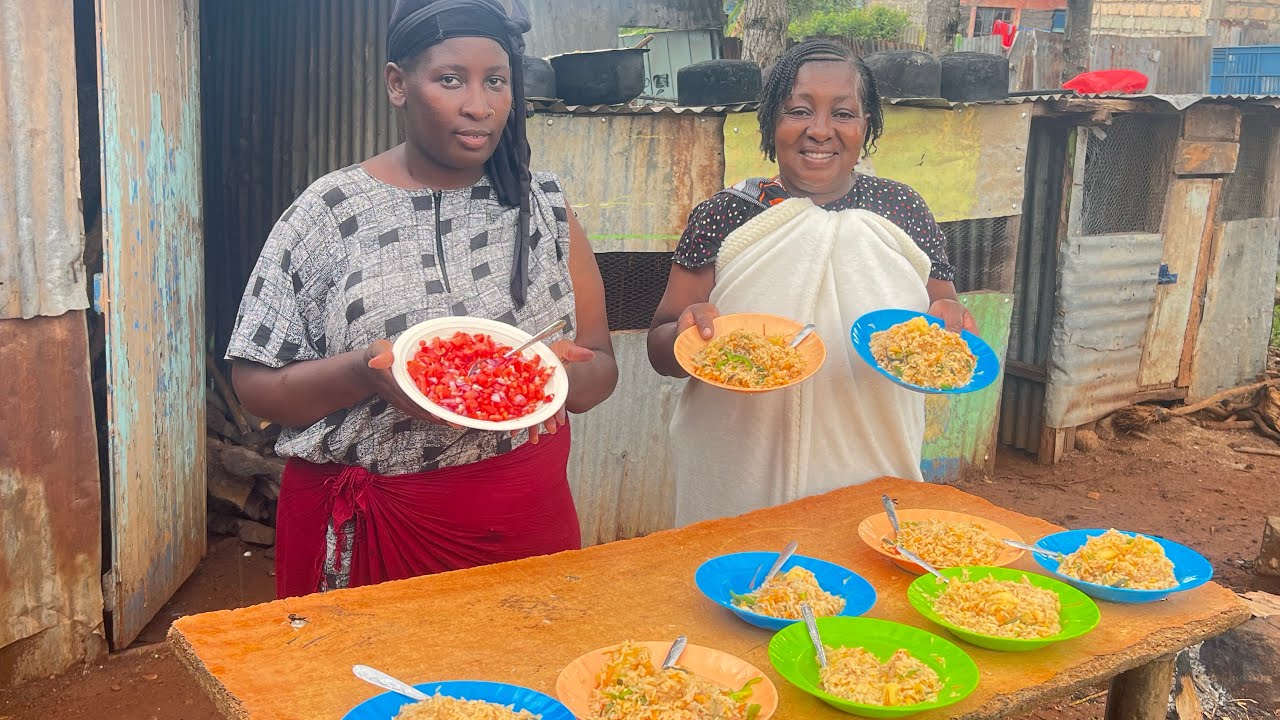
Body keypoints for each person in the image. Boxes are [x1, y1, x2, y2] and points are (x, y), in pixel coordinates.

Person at [226, 0, 617, 598]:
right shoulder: (330, 212)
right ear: (398, 84)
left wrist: (554, 374)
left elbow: (600, 367)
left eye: (497, 81)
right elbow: (256, 387)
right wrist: (362, 372)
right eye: (450, 79)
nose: (479, 106)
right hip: (374, 531)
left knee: (520, 687)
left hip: (519, 528)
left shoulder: (543, 208)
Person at [647, 40, 977, 527]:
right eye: (798, 110)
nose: (819, 131)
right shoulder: (727, 214)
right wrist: (685, 334)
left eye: (843, 114)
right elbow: (660, 348)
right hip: (736, 478)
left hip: (871, 470)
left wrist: (951, 316)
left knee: (857, 593)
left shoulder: (903, 210)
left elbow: (941, 306)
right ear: (770, 125)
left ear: (867, 125)